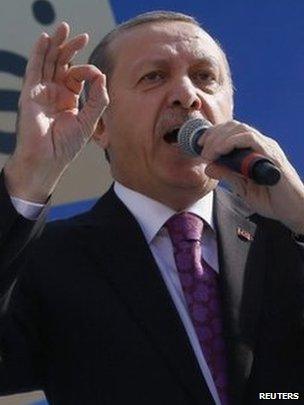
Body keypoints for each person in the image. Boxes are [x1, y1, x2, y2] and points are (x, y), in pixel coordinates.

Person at [1, 10, 304, 405]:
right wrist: (30, 173)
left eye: (204, 77)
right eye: (154, 77)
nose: (187, 95)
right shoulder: (47, 262)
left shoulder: (287, 235)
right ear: (100, 126)